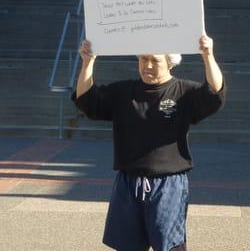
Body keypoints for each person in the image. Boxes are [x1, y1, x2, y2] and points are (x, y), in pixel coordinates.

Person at [72, 34, 225, 251]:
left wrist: (208, 55)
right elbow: (87, 100)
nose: (148, 66)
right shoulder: (124, 92)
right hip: (128, 183)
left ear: (170, 63)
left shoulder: (183, 92)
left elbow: (215, 94)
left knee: (170, 245)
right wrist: (88, 62)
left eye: (155, 60)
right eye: (143, 59)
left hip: (167, 185)